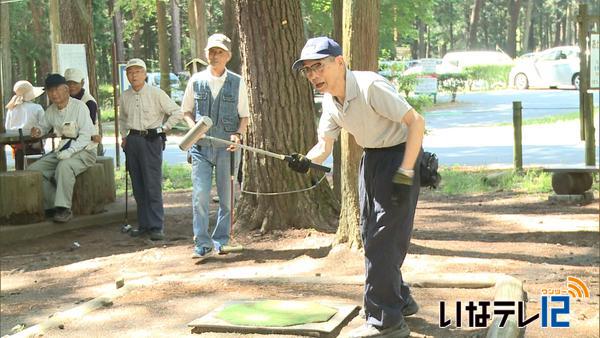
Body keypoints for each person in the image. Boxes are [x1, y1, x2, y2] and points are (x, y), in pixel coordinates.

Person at [289, 37, 425, 338]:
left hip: (400, 156)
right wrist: (305, 160)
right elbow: (324, 146)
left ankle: (385, 322)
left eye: (318, 67)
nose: (313, 75)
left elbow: (416, 122)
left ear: (340, 62)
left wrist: (405, 171)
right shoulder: (329, 100)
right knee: (370, 234)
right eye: (308, 70)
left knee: (382, 240)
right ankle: (399, 300)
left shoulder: (369, 87)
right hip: (371, 160)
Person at [180, 33, 249, 257]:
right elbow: (186, 111)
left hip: (226, 150)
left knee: (227, 198)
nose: (215, 55)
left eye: (219, 52)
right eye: (211, 51)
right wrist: (194, 130)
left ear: (228, 56)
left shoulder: (237, 82)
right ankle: (202, 243)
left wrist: (238, 135)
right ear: (206, 54)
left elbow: (244, 116)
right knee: (199, 195)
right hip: (200, 148)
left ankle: (221, 240)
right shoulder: (196, 80)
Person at [118, 58, 183, 241]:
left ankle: (156, 226)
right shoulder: (125, 95)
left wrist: (163, 129)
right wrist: (124, 136)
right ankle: (144, 224)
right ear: (127, 76)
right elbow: (122, 118)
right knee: (138, 185)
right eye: (130, 72)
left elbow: (177, 112)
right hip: (133, 141)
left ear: (145, 74)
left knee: (152, 184)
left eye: (138, 71)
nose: (134, 75)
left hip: (151, 140)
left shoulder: (156, 93)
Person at [28, 74, 97, 223]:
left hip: (85, 150)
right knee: (34, 170)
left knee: (64, 166)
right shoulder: (51, 110)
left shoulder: (80, 107)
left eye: (57, 89)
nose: (54, 94)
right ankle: (54, 204)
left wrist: (70, 152)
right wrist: (38, 131)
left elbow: (86, 137)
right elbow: (43, 126)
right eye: (50, 91)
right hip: (63, 149)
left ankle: (64, 208)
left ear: (66, 89)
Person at [5, 80, 46, 170]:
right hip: (36, 145)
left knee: (19, 169)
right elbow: (45, 126)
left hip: (17, 147)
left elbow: (7, 128)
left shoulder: (11, 109)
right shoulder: (37, 108)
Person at [64, 68, 102, 145]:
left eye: (75, 83)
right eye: (69, 83)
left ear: (82, 83)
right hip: (69, 143)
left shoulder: (89, 102)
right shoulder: (64, 100)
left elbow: (87, 128)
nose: (71, 86)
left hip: (86, 145)